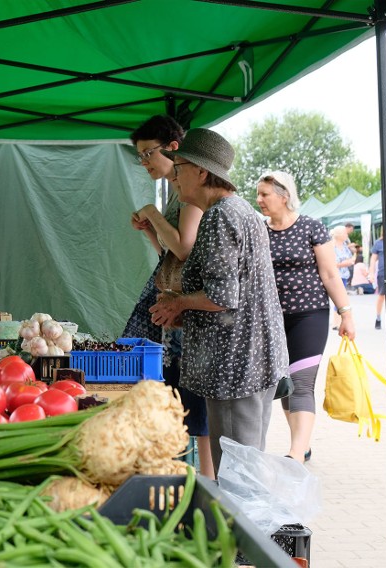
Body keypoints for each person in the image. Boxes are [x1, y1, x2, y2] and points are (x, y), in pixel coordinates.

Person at [148, 128, 289, 475]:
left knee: (238, 474)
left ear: (200, 171)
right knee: (247, 466)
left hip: (234, 365)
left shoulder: (220, 216)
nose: (174, 179)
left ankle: (244, 529)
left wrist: (177, 303)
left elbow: (222, 296)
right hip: (253, 358)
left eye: (178, 168)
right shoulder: (241, 212)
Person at [123, 115, 213, 478]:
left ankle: (206, 480)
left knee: (193, 400)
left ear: (173, 148)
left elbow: (185, 247)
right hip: (176, 310)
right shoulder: (177, 193)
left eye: (148, 154)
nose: (144, 163)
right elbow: (168, 253)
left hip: (190, 312)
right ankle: (181, 472)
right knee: (178, 393)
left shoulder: (190, 195)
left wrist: (151, 213)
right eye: (140, 157)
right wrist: (151, 228)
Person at [256, 170, 356, 463]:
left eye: (265, 194)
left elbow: (329, 273)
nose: (259, 199)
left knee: (301, 382)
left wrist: (346, 313)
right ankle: (301, 443)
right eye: (258, 194)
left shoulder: (311, 227)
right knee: (285, 384)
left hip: (309, 315)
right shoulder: (259, 230)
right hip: (271, 319)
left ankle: (296, 454)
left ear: (284, 195)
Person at [331, 226, 355, 328]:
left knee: (342, 299)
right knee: (339, 299)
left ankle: (339, 322)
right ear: (339, 235)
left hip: (344, 275)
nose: (347, 235)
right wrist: (343, 264)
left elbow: (351, 258)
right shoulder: (332, 246)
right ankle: (336, 322)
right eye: (345, 233)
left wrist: (347, 262)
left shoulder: (345, 246)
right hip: (335, 276)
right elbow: (331, 263)